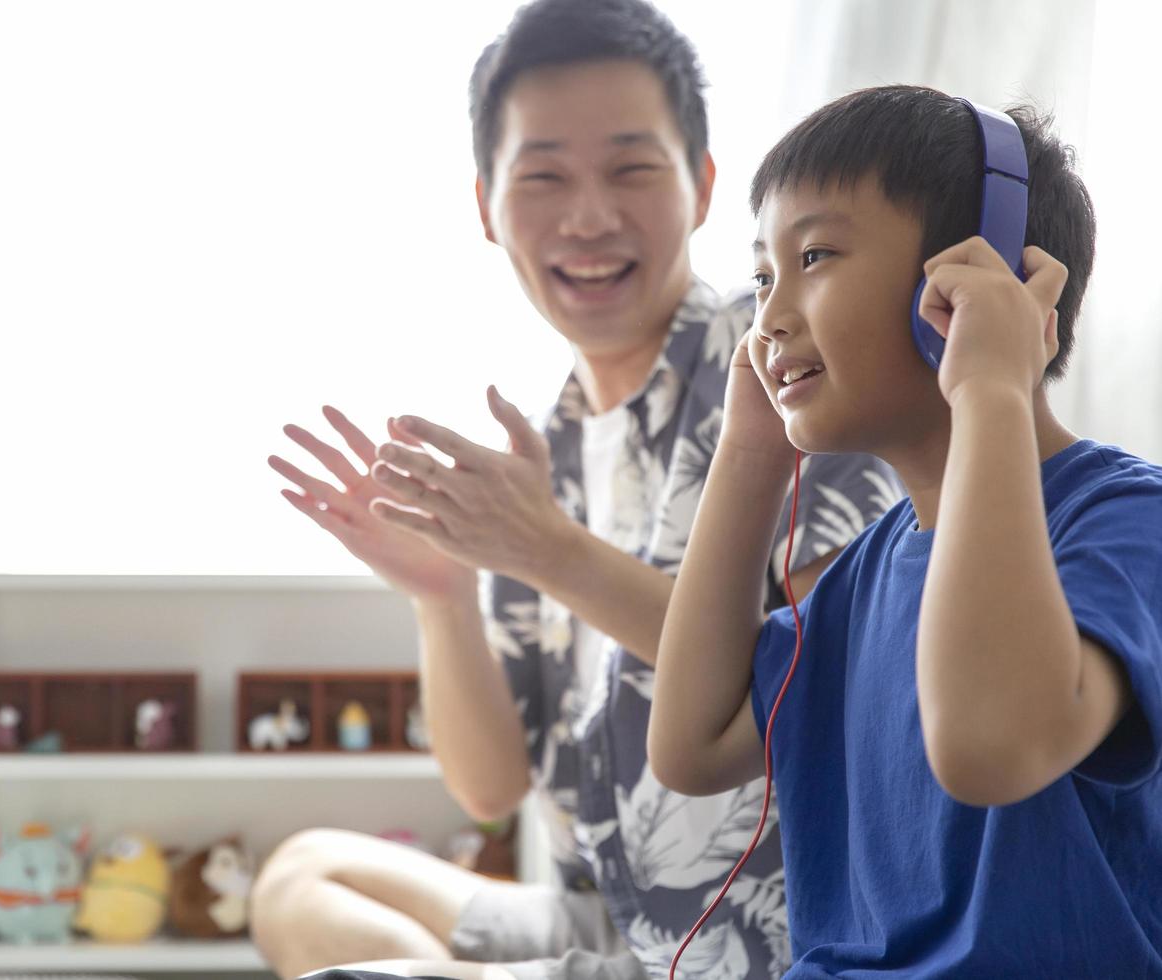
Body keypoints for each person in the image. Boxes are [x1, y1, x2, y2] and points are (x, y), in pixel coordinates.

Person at [255, 3, 898, 978]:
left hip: (749, 937)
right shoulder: (541, 446)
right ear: (485, 205)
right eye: (543, 175)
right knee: (298, 877)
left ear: (703, 186)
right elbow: (490, 783)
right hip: (602, 923)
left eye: (632, 169)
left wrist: (547, 549)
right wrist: (444, 597)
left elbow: (827, 691)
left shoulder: (787, 364)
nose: (589, 216)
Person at [649, 84, 1162, 975]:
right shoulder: (864, 574)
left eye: (814, 255)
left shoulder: (1129, 523)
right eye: (762, 276)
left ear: (984, 273)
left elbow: (988, 745)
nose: (767, 318)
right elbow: (690, 747)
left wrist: (993, 388)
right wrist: (748, 456)